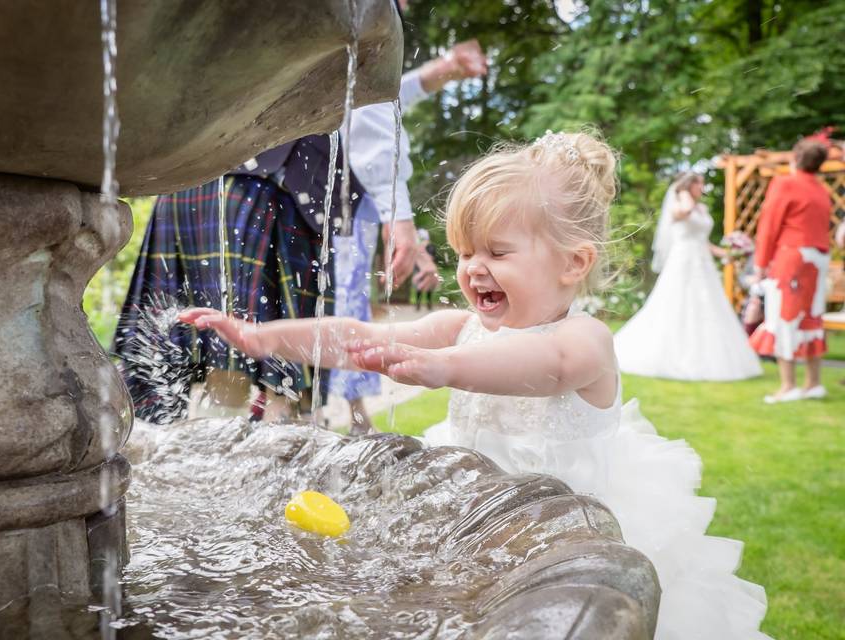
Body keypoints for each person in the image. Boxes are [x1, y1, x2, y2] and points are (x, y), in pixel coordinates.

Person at [177, 132, 770, 639]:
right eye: (464, 252)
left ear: (573, 263)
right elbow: (354, 330)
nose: (472, 268)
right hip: (475, 531)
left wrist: (446, 369)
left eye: (497, 251)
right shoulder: (462, 327)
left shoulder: (586, 339)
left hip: (567, 542)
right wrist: (265, 337)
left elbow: (548, 366)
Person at [113, 135, 362, 423]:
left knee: (223, 352)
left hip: (183, 188)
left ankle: (208, 449)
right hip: (259, 193)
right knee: (257, 362)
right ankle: (260, 446)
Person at [331, 37, 487, 434]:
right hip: (325, 197)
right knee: (337, 304)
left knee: (343, 305)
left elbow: (390, 96)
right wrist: (400, 221)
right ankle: (332, 414)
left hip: (339, 200)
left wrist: (448, 66)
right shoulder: (354, 34)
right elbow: (372, 112)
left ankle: (342, 413)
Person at [613, 172, 763, 380]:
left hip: (703, 263)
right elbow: (684, 211)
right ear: (688, 186)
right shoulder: (679, 206)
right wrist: (682, 192)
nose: (702, 187)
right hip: (683, 261)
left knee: (709, 307)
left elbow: (703, 241)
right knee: (677, 305)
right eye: (699, 183)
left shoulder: (701, 208)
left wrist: (728, 253)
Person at [748, 138, 833, 403]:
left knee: (783, 318)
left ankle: (788, 386)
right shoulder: (821, 190)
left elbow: (769, 226)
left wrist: (760, 266)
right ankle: (813, 383)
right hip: (819, 260)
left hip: (793, 259)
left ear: (795, 158)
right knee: (811, 317)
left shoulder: (785, 183)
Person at [412, 228, 439, 311]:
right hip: (419, 269)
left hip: (428, 269)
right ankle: (418, 304)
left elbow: (432, 258)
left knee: (428, 287)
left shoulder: (430, 247)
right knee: (419, 288)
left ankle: (429, 304)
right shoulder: (416, 247)